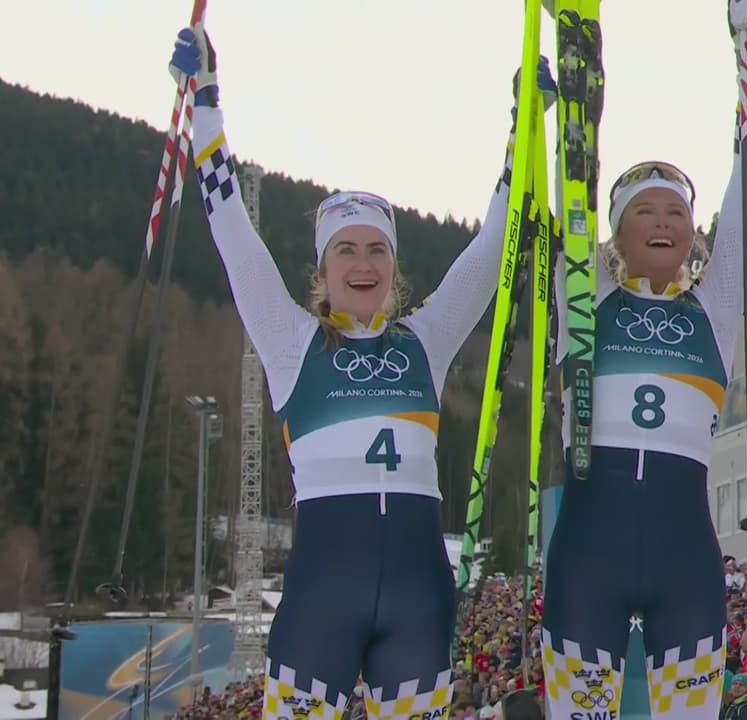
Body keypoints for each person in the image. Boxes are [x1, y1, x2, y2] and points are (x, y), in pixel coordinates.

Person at [168, 26, 555, 718]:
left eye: (378, 248)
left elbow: (495, 240)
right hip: (322, 600)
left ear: (394, 267)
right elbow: (231, 230)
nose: (364, 262)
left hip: (418, 599)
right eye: (346, 249)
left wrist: (524, 128)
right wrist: (204, 103)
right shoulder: (292, 343)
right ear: (321, 271)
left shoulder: (424, 341)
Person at [539, 2, 747, 719]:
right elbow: (570, 191)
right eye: (646, 211)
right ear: (618, 232)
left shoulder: (714, 305)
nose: (665, 223)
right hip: (587, 553)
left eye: (676, 212)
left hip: (685, 558)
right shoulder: (589, 295)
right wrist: (564, 101)